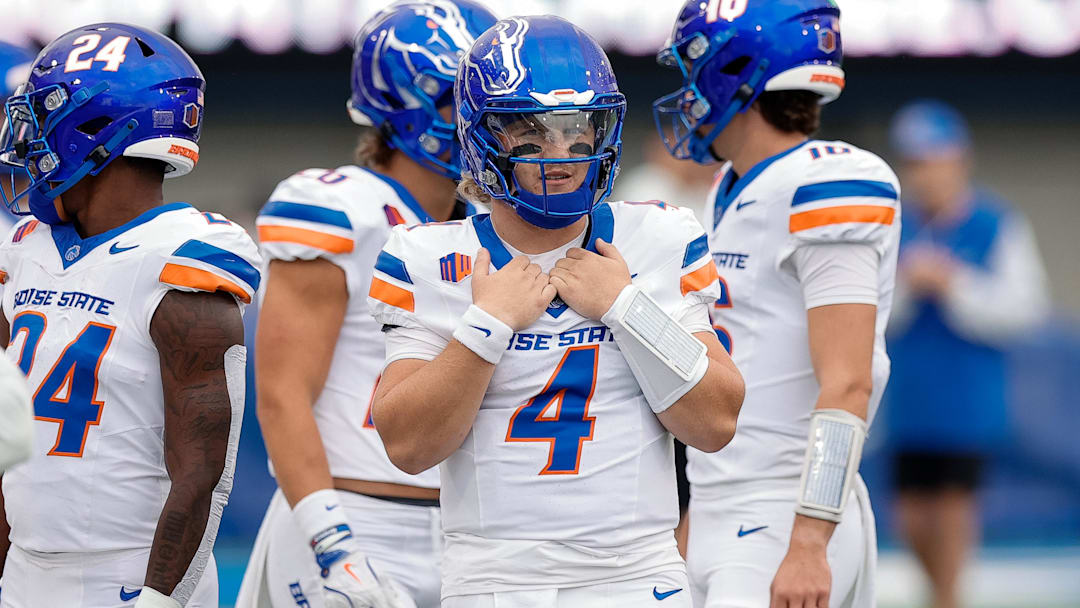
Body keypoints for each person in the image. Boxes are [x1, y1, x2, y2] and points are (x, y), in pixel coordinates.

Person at [368, 15, 744, 608]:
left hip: (637, 571)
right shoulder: (428, 256)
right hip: (494, 578)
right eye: (532, 134)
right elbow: (408, 448)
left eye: (578, 131)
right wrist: (484, 329)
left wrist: (626, 307)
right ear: (481, 137)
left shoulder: (658, 238)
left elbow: (717, 422)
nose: (561, 154)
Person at [234, 2, 496, 608]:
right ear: (413, 100)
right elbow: (282, 393)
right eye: (473, 99)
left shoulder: (494, 225)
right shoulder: (344, 209)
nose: (493, 120)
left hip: (473, 532)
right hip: (353, 516)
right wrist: (333, 543)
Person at [0, 23, 259, 608]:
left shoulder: (183, 256)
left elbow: (203, 474)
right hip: (26, 570)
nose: (26, 139)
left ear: (94, 130)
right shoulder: (25, 247)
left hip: (131, 573)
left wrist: (160, 598)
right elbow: (7, 447)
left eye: (45, 117)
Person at [652, 1, 901, 607]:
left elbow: (849, 383)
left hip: (787, 507)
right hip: (721, 503)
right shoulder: (730, 186)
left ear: (734, 71)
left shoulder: (827, 181)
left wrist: (811, 537)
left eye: (694, 67)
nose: (687, 90)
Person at [884, 100, 1049, 608]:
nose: (925, 175)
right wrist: (912, 285)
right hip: (909, 399)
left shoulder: (996, 223)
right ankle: (940, 595)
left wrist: (955, 285)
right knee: (910, 516)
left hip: (966, 401)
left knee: (952, 513)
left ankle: (947, 599)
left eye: (934, 160)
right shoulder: (893, 225)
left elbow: (1026, 309)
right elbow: (870, 311)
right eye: (915, 163)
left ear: (959, 161)